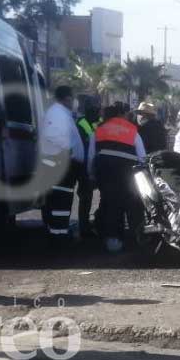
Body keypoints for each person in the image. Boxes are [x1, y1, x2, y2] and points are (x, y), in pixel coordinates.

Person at [89, 105, 146, 253]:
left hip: (106, 173)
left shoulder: (99, 130)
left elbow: (91, 156)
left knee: (110, 205)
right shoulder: (132, 130)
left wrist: (91, 174)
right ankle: (136, 238)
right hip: (128, 174)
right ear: (121, 115)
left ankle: (113, 241)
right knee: (133, 204)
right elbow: (142, 156)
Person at [39, 86, 85, 243]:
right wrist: (69, 152)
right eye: (73, 98)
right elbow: (54, 136)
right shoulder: (58, 113)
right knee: (60, 202)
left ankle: (58, 232)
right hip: (60, 165)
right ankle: (58, 235)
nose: (75, 101)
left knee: (60, 201)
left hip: (60, 164)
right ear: (67, 98)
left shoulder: (61, 113)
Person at [75, 103, 100, 238]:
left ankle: (94, 223)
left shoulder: (99, 121)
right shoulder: (81, 123)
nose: (96, 114)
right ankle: (83, 226)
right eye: (94, 112)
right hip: (84, 165)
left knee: (98, 196)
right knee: (86, 196)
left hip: (98, 163)